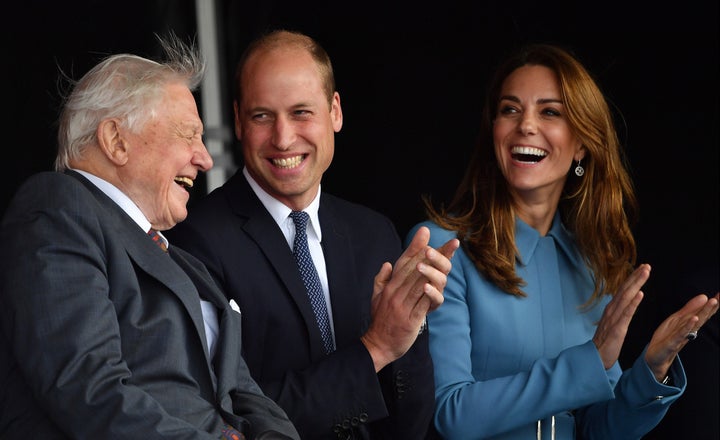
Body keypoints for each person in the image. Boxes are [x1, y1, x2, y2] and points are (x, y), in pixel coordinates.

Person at [405, 43, 720, 439]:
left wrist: (652, 370)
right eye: (510, 109)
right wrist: (586, 362)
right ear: (494, 133)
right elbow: (450, 415)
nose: (526, 125)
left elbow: (596, 430)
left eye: (550, 111)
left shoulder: (591, 266)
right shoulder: (442, 247)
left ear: (582, 145)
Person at [0, 33, 299, 440]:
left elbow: (246, 395)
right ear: (116, 141)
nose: (206, 158)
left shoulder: (181, 259)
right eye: (188, 134)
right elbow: (89, 390)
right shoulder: (56, 206)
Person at [166, 29, 459, 439]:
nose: (283, 138)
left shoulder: (374, 233)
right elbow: (229, 416)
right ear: (236, 120)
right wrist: (375, 348)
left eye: (301, 112)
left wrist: (404, 336)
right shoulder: (194, 243)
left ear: (335, 111)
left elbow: (410, 423)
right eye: (261, 116)